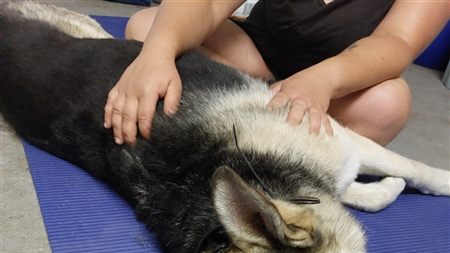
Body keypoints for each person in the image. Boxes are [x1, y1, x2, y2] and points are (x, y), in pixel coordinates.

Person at [104, 0, 449, 147]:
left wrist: (324, 80)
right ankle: (259, 123)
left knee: (388, 104)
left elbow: (397, 40)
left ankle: (252, 128)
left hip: (337, 87)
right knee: (148, 27)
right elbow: (207, 3)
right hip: (253, 60)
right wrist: (157, 54)